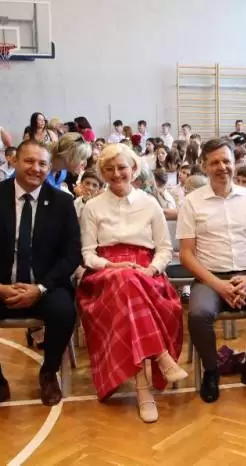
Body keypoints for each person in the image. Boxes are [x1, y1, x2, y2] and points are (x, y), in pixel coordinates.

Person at [0, 140, 81, 418]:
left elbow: (72, 253)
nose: (36, 168)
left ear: (49, 167)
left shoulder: (62, 202)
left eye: (42, 163)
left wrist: (41, 288)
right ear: (14, 161)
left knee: (64, 311)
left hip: (44, 286)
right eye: (29, 161)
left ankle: (48, 373)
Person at [77, 143, 185, 423]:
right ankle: (158, 359)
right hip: (104, 275)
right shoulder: (92, 206)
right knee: (125, 281)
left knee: (129, 286)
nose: (116, 174)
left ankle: (143, 386)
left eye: (122, 167)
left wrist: (151, 269)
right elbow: (88, 254)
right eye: (109, 169)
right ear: (102, 172)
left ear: (134, 169)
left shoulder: (150, 204)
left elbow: (164, 249)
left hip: (146, 273)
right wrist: (112, 266)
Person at [177, 138, 246, 403]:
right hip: (209, 278)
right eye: (214, 162)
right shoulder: (191, 202)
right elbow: (186, 254)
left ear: (234, 163)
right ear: (205, 166)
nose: (222, 167)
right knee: (198, 315)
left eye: (226, 161)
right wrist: (219, 285)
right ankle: (211, 370)